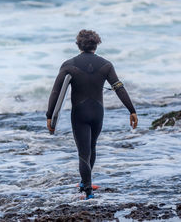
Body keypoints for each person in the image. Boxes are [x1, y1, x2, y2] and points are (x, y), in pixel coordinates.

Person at [46, 29, 138, 199]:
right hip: (97, 112)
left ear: (78, 45)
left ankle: (87, 191)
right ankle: (85, 182)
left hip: (79, 113)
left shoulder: (68, 65)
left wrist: (49, 115)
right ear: (97, 44)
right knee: (92, 146)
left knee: (83, 152)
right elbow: (119, 87)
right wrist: (131, 110)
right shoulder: (106, 65)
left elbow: (56, 92)